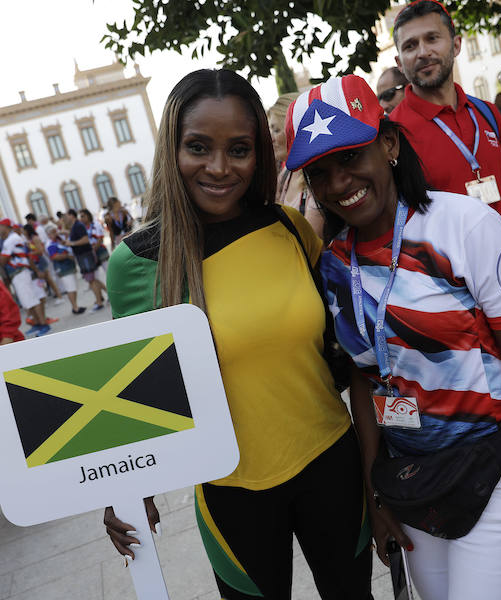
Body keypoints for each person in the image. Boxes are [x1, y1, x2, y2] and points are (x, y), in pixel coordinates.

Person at [285, 73, 501, 600]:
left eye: (351, 157)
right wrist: (377, 496)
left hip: (497, 471)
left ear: (389, 145)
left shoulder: (465, 225)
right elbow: (363, 377)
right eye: (319, 173)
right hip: (413, 483)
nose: (338, 183)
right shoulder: (332, 265)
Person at [102, 69, 373, 599]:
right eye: (198, 147)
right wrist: (123, 488)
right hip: (232, 493)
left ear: (260, 155)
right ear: (171, 149)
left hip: (333, 466)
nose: (219, 168)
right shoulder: (135, 264)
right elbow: (129, 392)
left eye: (240, 149)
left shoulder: (291, 231)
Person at [389, 0, 501, 289]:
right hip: (444, 294)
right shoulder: (391, 135)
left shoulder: (487, 113)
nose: (423, 52)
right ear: (400, 62)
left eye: (432, 38)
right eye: (410, 46)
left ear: (457, 44)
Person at [268, 93, 326, 240]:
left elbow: (311, 242)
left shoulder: (317, 179)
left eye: (276, 130)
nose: (271, 139)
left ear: (294, 131)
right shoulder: (287, 173)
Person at [0, 219, 51, 337]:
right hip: (19, 273)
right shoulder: (12, 239)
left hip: (20, 273)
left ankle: (44, 324)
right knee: (28, 301)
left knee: (31, 299)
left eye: (0, 226)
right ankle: (38, 324)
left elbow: (2, 261)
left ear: (6, 227)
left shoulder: (10, 240)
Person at [62, 209, 106, 312]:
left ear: (71, 216)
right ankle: (105, 296)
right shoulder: (75, 226)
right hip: (83, 256)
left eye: (66, 216)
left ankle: (99, 302)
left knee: (91, 279)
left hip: (85, 256)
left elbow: (85, 239)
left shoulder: (78, 225)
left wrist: (71, 243)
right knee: (91, 279)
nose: (65, 219)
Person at [44, 223, 85, 315]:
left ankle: (76, 305)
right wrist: (67, 256)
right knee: (70, 288)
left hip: (69, 266)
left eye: (55, 231)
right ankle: (75, 307)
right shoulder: (50, 244)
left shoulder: (59, 239)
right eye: (53, 232)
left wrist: (61, 232)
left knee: (73, 287)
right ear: (48, 234)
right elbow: (54, 257)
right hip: (63, 268)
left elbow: (68, 234)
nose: (56, 233)